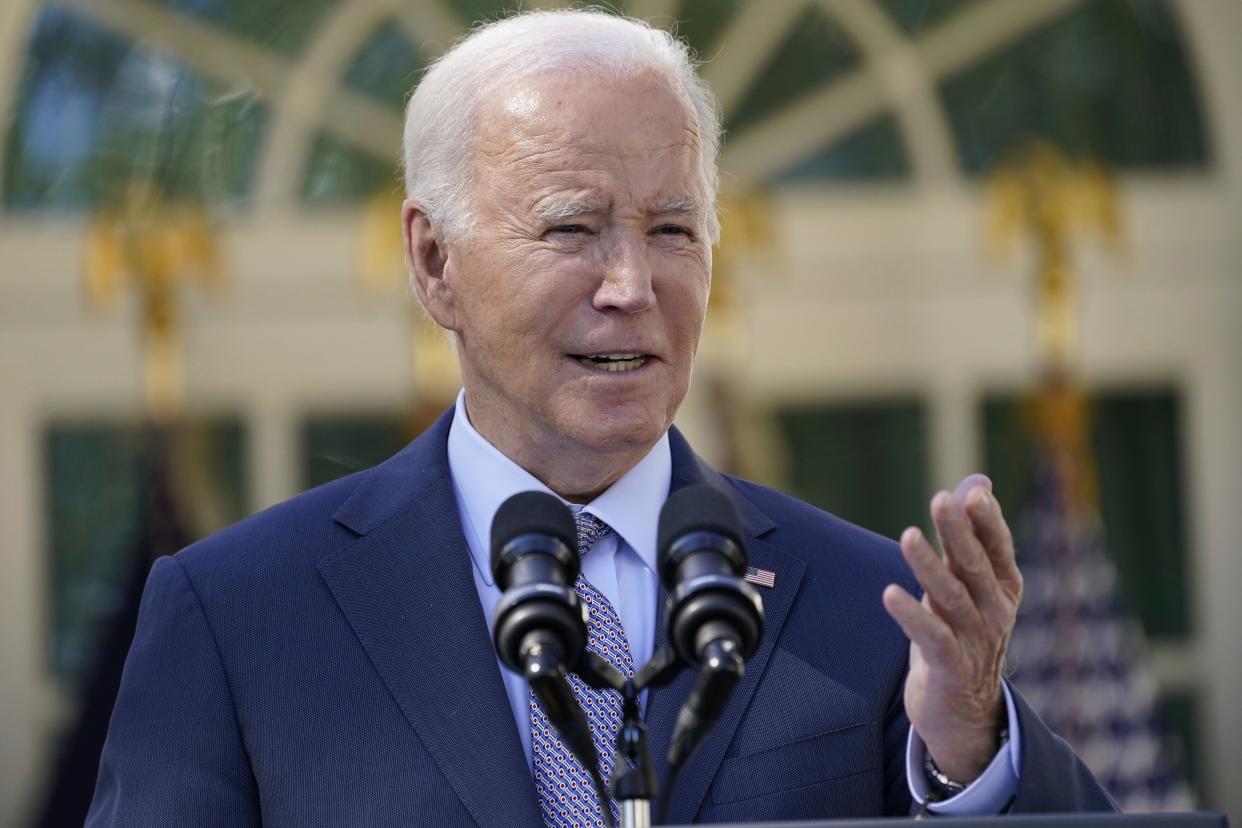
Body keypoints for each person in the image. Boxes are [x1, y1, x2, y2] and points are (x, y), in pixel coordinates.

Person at [88, 10, 1116, 826]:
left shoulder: (872, 612)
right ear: (433, 262)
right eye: (571, 228)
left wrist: (973, 752)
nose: (630, 283)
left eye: (673, 229)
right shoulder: (239, 618)